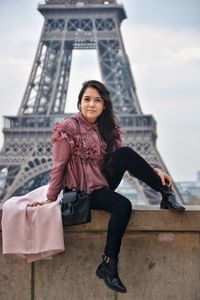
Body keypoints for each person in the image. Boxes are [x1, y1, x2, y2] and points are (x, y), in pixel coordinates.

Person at [29, 80, 185, 293]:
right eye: (87, 99)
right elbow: (59, 166)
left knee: (125, 153)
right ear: (79, 103)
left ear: (104, 105)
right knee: (123, 205)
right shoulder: (67, 128)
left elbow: (129, 161)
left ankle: (164, 193)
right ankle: (108, 263)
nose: (91, 104)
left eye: (97, 100)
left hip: (101, 183)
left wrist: (154, 170)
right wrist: (51, 197)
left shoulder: (106, 129)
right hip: (82, 193)